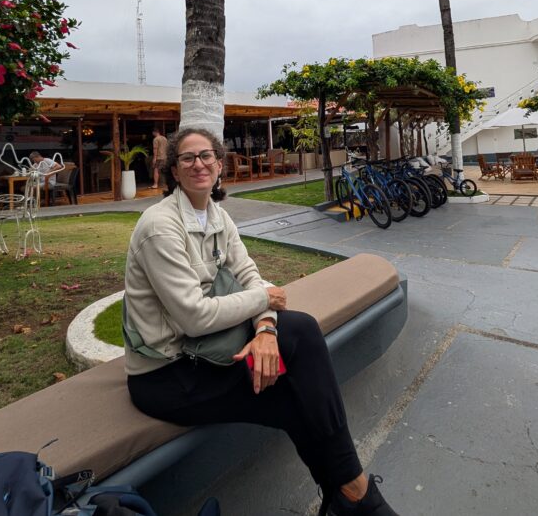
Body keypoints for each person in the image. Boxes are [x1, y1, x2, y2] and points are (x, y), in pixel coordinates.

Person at [124, 128, 399, 516]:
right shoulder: (159, 226)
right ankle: (357, 495)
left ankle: (347, 496)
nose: (198, 164)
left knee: (298, 353)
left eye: (206, 155)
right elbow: (195, 316)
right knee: (298, 374)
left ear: (219, 164)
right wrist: (266, 301)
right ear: (174, 170)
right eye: (187, 158)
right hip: (168, 375)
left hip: (206, 352)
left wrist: (266, 328)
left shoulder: (217, 216)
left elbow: (252, 276)